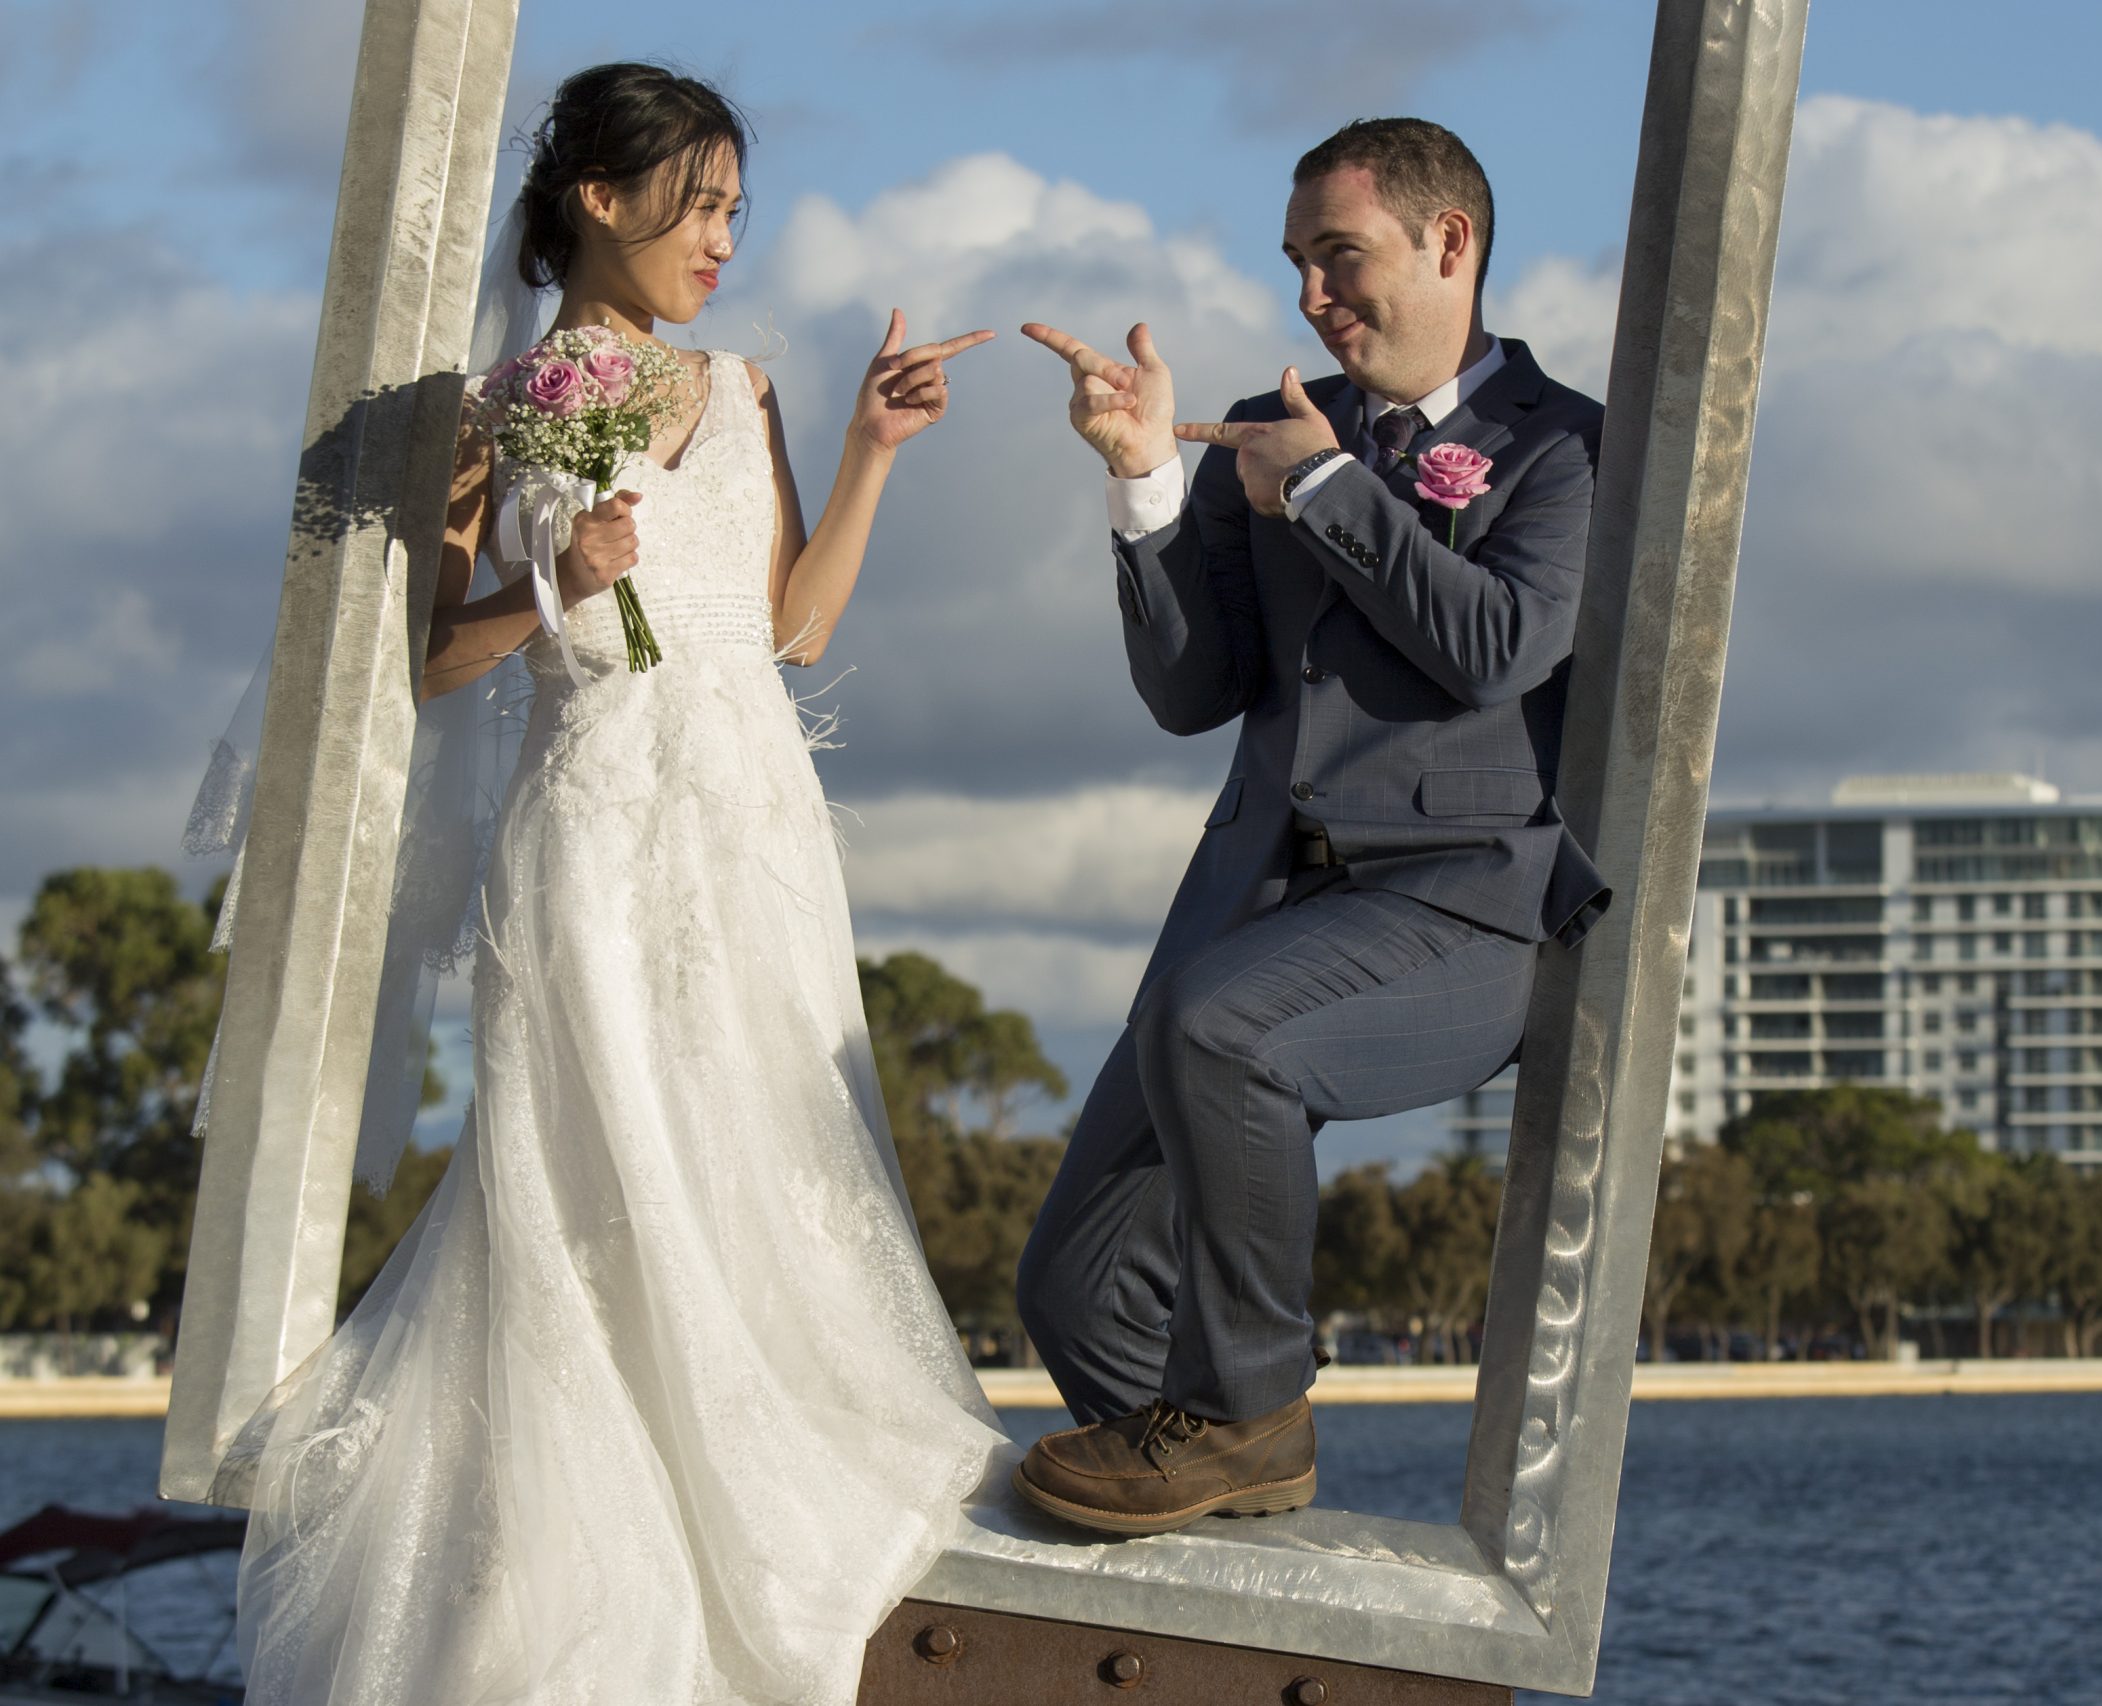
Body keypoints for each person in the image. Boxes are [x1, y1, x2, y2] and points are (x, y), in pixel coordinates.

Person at [220, 64, 1009, 1703]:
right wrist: (545, 578)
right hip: (590, 813)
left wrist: (870, 448)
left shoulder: (750, 387)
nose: (722, 239)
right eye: (698, 202)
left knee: (763, 1136)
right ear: (598, 194)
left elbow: (792, 627)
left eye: (734, 209)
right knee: (594, 1163)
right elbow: (432, 664)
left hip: (754, 820)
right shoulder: (495, 413)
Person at [1012, 118, 1608, 1536]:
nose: (1311, 298)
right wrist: (1147, 482)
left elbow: (1496, 643)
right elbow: (1192, 689)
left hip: (1465, 913)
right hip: (1257, 912)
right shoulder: (1258, 440)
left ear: (1448, 242)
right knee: (1073, 1285)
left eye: (1338, 257)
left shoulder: (1569, 446)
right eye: (1296, 266)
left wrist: (1332, 488)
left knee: (1222, 1027)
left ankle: (1250, 1418)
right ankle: (1230, 1536)